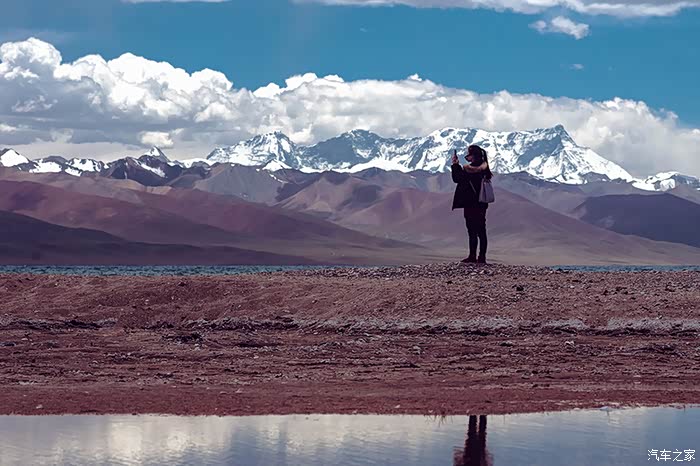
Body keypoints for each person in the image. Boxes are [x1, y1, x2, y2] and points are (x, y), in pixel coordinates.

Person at [450, 145, 492, 264]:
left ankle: (472, 256)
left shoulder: (469, 170)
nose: (468, 157)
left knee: (472, 231)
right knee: (481, 231)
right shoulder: (485, 169)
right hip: (481, 204)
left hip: (470, 204)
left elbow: (458, 178)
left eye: (469, 155)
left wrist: (455, 165)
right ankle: (482, 257)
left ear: (474, 156)